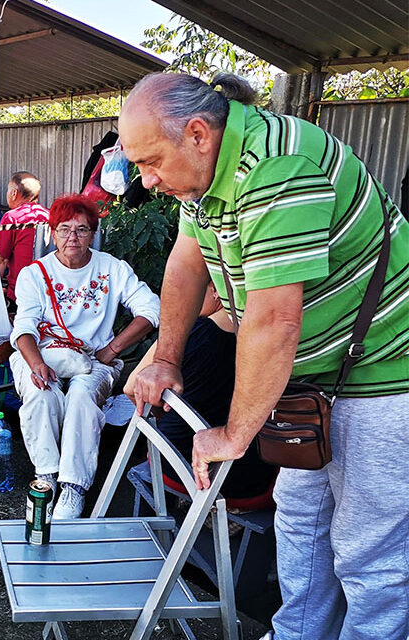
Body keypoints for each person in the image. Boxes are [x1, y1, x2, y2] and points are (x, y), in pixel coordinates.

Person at [120, 72, 408, 640]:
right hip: (311, 377)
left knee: (367, 550)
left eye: (151, 162)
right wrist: (165, 357)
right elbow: (185, 265)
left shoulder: (277, 169)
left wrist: (235, 432)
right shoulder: (201, 181)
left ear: (198, 134)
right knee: (300, 526)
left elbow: (274, 320)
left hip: (384, 372)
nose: (147, 181)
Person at [10, 194, 159, 519]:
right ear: (52, 234)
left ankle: (74, 487)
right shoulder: (34, 274)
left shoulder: (112, 269)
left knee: (80, 396)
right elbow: (23, 327)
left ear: (94, 233)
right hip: (41, 353)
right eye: (63, 229)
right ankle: (46, 477)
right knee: (40, 394)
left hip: (93, 359)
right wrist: (37, 364)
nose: (72, 238)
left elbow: (151, 309)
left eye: (81, 230)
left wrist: (114, 347)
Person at [124, 283, 276, 499]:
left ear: (216, 289)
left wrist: (163, 414)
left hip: (175, 465)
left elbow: (131, 388)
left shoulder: (183, 334)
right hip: (251, 481)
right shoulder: (268, 339)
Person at [0, 172, 49, 301]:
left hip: (21, 292)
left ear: (14, 193)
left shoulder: (12, 217)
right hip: (49, 290)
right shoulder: (50, 215)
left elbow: (1, 260)